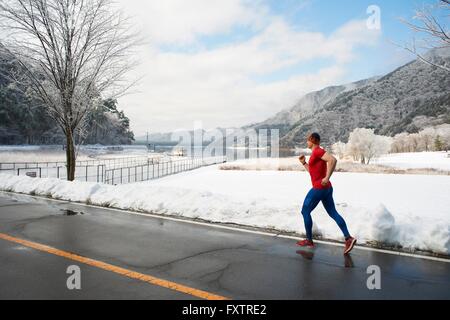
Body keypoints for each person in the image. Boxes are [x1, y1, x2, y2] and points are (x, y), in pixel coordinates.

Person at [297, 133, 357, 255]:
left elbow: (333, 160)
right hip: (326, 189)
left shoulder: (318, 151)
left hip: (319, 188)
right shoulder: (315, 153)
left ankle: (309, 240)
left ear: (312, 140)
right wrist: (304, 163)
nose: (306, 142)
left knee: (305, 211)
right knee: (333, 213)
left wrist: (327, 177)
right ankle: (348, 238)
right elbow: (313, 173)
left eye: (307, 140)